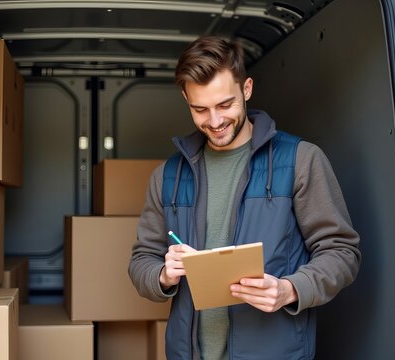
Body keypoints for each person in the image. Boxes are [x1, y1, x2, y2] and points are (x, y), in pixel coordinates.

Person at [128, 35, 361, 360]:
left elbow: (342, 252)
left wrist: (290, 290)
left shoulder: (301, 160)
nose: (215, 121)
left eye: (225, 105)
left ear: (246, 88)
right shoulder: (168, 175)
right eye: (200, 109)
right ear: (185, 98)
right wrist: (163, 275)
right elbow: (141, 261)